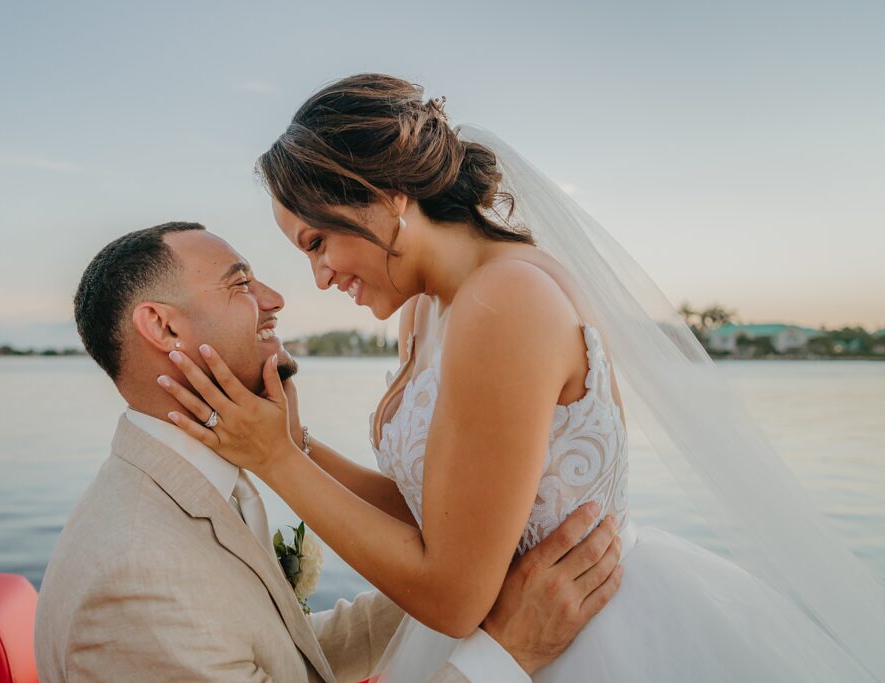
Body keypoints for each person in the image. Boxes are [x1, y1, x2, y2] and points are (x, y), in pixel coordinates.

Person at [161, 74, 885, 681]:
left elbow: (451, 595)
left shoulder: (504, 303)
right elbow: (437, 515)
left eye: (318, 241)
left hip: (591, 642)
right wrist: (301, 445)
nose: (318, 276)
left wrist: (277, 462)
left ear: (383, 196)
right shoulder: (434, 310)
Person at [33, 221, 623, 683]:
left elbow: (284, 654)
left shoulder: (182, 482)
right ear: (163, 329)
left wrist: (482, 570)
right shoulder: (136, 579)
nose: (275, 298)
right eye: (240, 284)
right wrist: (511, 650)